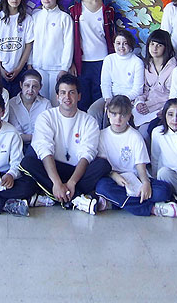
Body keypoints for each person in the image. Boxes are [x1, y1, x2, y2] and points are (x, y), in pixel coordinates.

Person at [19, 74, 111, 215]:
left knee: (102, 165)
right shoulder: (46, 117)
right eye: (63, 93)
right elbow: (45, 150)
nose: (67, 97)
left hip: (77, 171)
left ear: (79, 96)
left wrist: (72, 183)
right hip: (53, 168)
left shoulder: (89, 121)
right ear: (57, 96)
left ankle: (57, 196)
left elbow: (87, 154)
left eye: (71, 92)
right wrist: (56, 183)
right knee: (28, 162)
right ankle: (76, 199)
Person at [95, 96, 177, 217]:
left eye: (122, 115)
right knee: (101, 187)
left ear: (129, 115)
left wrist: (145, 183)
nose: (118, 119)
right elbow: (103, 166)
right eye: (114, 114)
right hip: (114, 178)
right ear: (108, 113)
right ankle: (152, 209)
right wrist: (115, 176)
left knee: (164, 190)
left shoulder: (135, 136)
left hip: (134, 179)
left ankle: (114, 203)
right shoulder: (102, 135)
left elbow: (141, 167)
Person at [69, 0, 115, 111]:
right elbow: (70, 38)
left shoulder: (108, 7)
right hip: (82, 61)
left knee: (99, 100)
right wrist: (71, 62)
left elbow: (112, 35)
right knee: (82, 100)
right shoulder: (75, 8)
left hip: (103, 59)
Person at [87, 29, 144, 129]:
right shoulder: (109, 59)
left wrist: (121, 100)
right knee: (93, 110)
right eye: (118, 43)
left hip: (129, 99)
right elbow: (105, 83)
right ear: (114, 44)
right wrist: (108, 98)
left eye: (125, 43)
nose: (121, 47)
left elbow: (137, 90)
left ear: (130, 45)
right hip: (110, 97)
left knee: (118, 111)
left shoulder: (137, 62)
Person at [31, 0, 74, 106]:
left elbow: (68, 44)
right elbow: (31, 43)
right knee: (41, 104)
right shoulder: (35, 17)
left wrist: (64, 68)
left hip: (57, 68)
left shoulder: (64, 18)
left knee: (56, 104)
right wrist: (30, 63)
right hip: (38, 67)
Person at [0, 0, 34, 98]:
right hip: (1, 71)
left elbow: (28, 46)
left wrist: (19, 68)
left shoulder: (27, 19)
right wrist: (0, 69)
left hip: (20, 70)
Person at [132, 29, 177, 138]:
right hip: (146, 106)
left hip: (162, 109)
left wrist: (152, 106)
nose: (154, 48)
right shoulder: (148, 65)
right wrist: (140, 103)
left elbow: (173, 96)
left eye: (159, 45)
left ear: (166, 47)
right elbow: (144, 90)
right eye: (152, 44)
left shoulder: (174, 67)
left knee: (144, 133)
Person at [7, 70, 52, 146]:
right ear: (21, 85)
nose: (30, 90)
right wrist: (36, 136)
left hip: (41, 144)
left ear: (40, 87)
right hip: (18, 144)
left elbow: (47, 131)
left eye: (35, 86)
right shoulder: (12, 104)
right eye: (27, 85)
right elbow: (16, 134)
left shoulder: (46, 104)